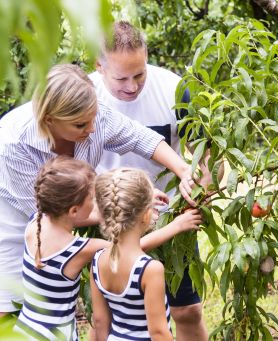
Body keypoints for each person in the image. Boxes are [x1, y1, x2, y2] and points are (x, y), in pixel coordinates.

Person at [0, 64, 197, 319]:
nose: (93, 128)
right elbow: (53, 213)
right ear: (50, 119)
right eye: (80, 124)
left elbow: (140, 137)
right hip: (2, 220)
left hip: (54, 217)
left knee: (42, 307)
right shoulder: (14, 142)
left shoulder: (95, 118)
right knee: (0, 309)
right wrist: (131, 204)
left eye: (94, 116)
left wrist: (183, 169)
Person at [89, 21, 212, 340]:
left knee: (187, 309)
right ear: (99, 67)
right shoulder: (84, 97)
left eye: (139, 74)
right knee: (119, 316)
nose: (132, 87)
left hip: (169, 216)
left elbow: (203, 156)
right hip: (111, 222)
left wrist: (202, 179)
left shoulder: (174, 88)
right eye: (121, 78)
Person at [14, 157, 202, 340]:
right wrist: (175, 226)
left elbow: (100, 319)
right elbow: (127, 251)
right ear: (73, 210)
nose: (97, 203)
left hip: (25, 328)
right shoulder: (79, 249)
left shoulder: (36, 221)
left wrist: (134, 201)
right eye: (92, 198)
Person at [90, 168, 174, 341]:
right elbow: (158, 332)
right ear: (147, 215)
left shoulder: (97, 262)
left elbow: (99, 321)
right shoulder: (150, 269)